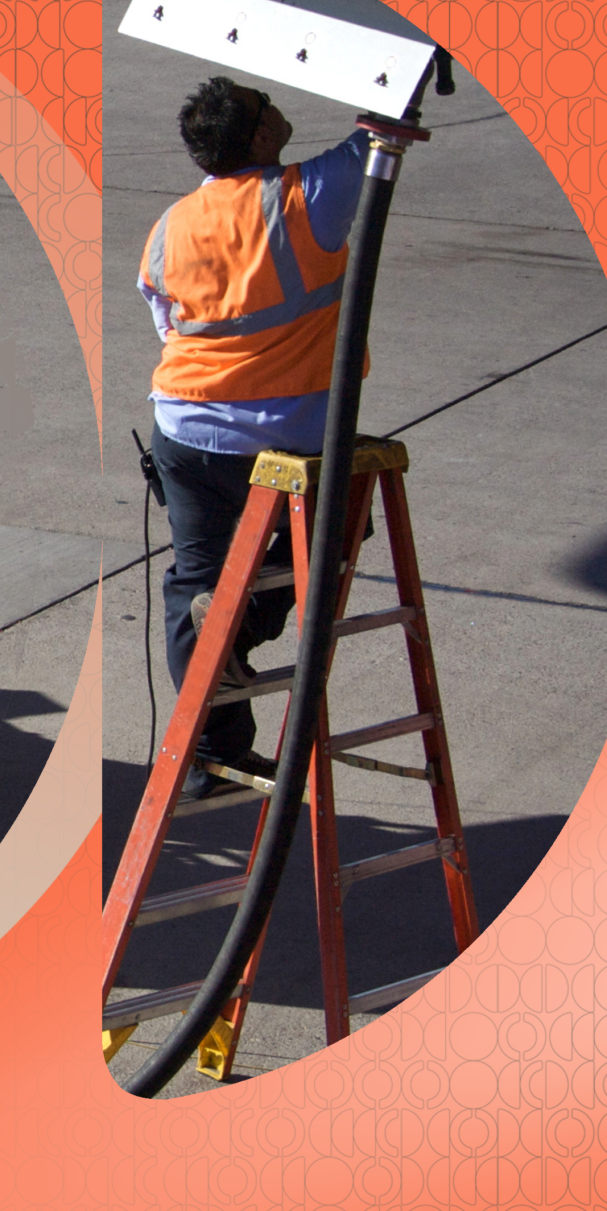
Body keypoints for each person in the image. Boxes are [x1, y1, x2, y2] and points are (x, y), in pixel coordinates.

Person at [139, 76, 374, 788]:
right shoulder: (304, 198)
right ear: (262, 135)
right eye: (264, 99)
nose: (276, 101)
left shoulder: (170, 225)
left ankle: (211, 747)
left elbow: (166, 320)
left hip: (185, 428)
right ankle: (238, 630)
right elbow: (382, 137)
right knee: (340, 528)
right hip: (287, 438)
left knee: (193, 579)